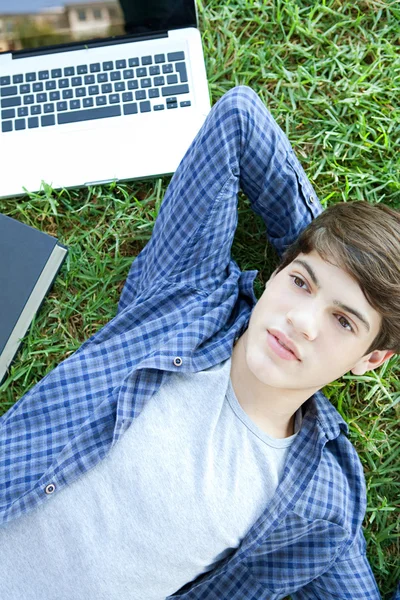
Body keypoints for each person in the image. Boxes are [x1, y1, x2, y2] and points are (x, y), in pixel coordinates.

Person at [0, 86, 398, 600]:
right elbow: (238, 121)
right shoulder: (187, 296)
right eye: (301, 282)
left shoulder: (322, 499)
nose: (301, 322)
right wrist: (332, 244)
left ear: (373, 358)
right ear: (279, 271)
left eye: (343, 321)